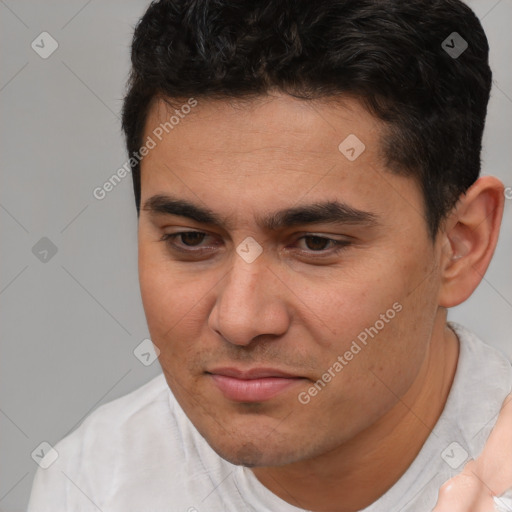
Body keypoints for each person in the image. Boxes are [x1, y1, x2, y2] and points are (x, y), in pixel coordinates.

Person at [27, 0, 512, 510]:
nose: (239, 321)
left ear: (461, 244)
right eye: (191, 239)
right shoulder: (90, 484)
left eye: (316, 243)